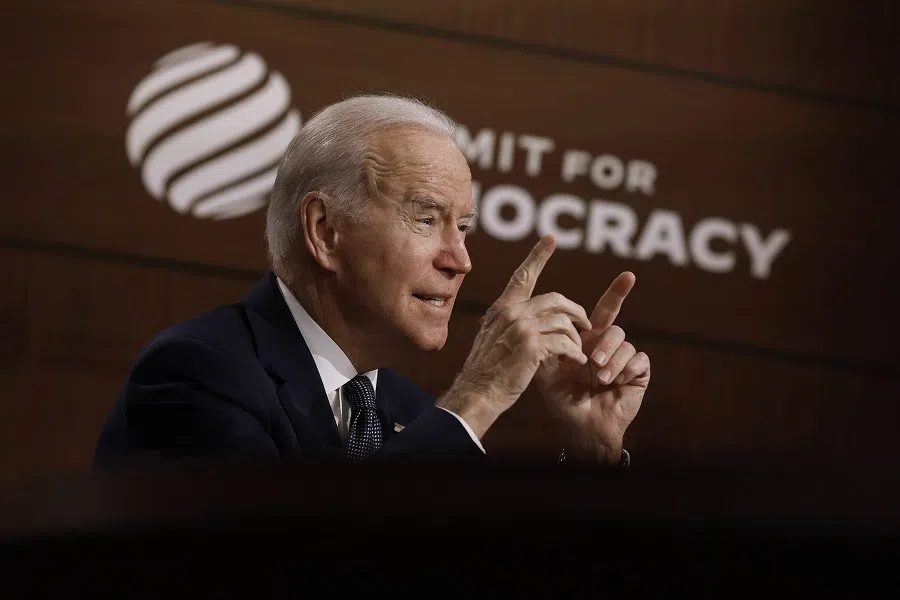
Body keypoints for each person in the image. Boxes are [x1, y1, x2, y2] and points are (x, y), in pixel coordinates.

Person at [93, 95, 650, 465]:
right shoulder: (199, 375)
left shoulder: (408, 414)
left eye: (464, 227)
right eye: (427, 219)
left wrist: (588, 458)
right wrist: (480, 395)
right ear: (325, 230)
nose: (460, 260)